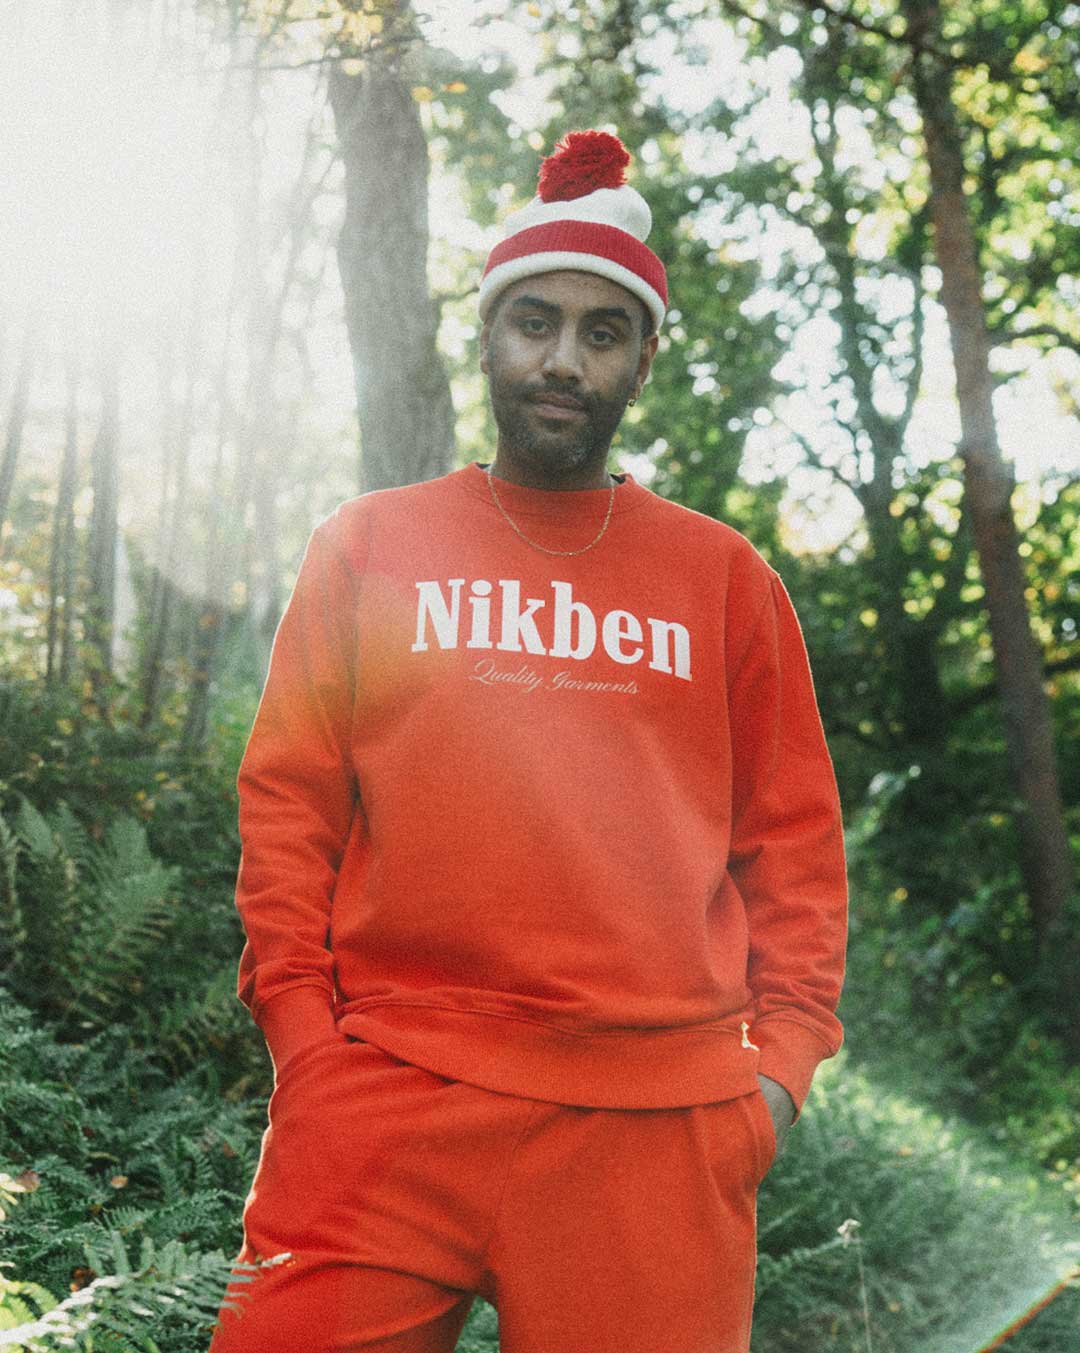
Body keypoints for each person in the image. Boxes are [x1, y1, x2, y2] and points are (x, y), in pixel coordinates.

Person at [210, 130, 847, 1353]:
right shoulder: (370, 545)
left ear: (643, 359)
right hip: (386, 1096)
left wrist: (778, 1073)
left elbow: (796, 848)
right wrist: (303, 1043)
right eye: (536, 322)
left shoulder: (725, 579)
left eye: (603, 333)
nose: (564, 359)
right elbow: (289, 804)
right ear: (489, 335)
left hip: (657, 1123)